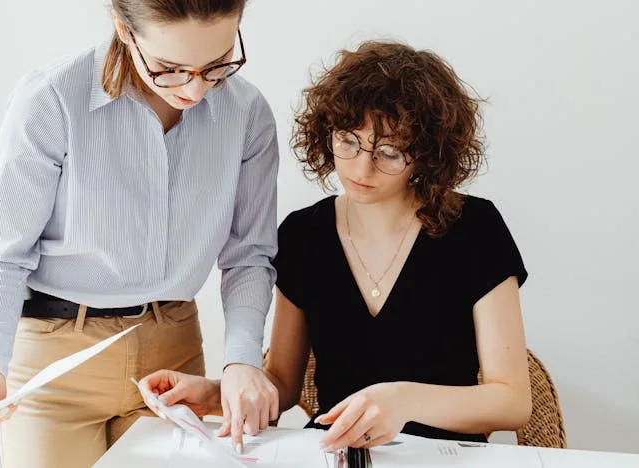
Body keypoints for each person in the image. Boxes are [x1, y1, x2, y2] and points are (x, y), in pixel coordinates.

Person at [140, 39, 533, 452]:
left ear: (428, 154)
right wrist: (213, 393)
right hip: (338, 455)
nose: (362, 167)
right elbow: (283, 386)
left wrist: (403, 400)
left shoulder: (474, 229)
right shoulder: (304, 234)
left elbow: (511, 401)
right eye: (348, 141)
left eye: (389, 152)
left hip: (444, 456)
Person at [0, 1, 280, 466]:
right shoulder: (53, 98)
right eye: (170, 68)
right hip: (55, 364)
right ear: (125, 31)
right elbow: (4, 254)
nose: (196, 88)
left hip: (174, 360)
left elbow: (249, 255)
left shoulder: (248, 114)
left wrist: (242, 361)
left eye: (218, 64)